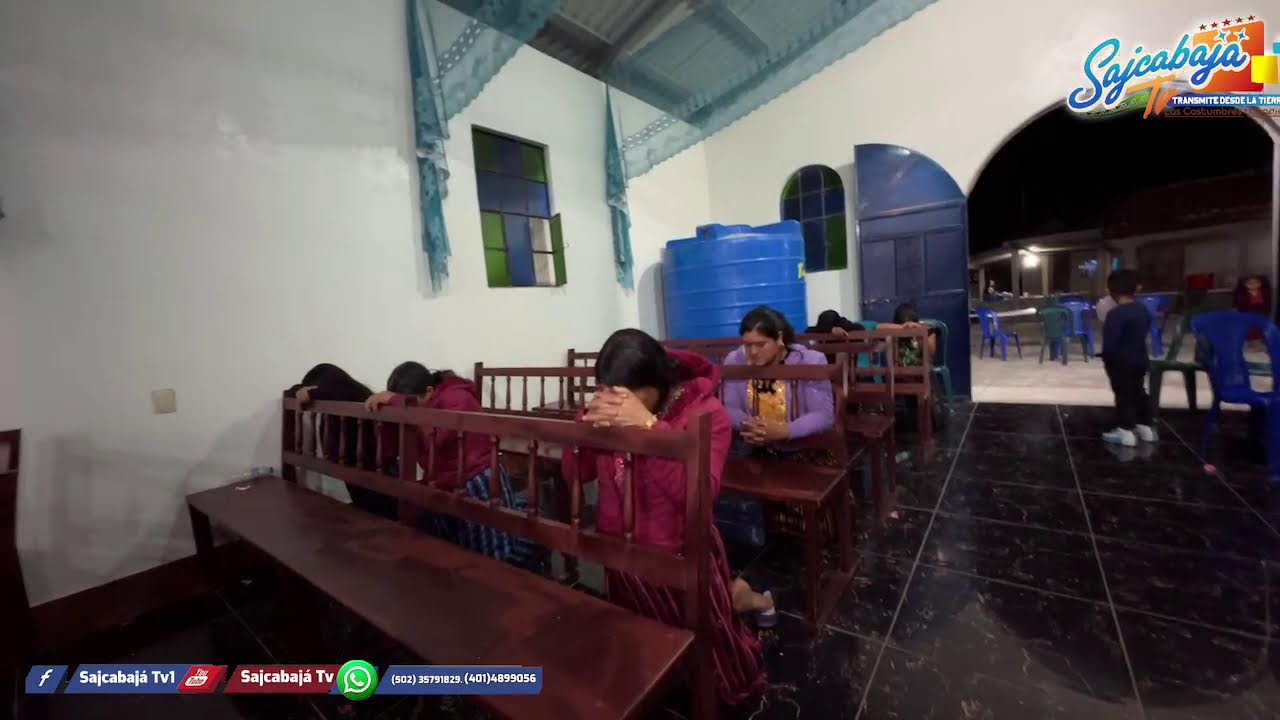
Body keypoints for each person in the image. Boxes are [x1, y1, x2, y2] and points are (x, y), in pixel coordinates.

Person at [565, 329, 768, 706]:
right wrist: (585, 430)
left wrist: (649, 429)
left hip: (678, 549)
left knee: (710, 651)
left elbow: (696, 498)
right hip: (622, 548)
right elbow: (576, 474)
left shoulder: (707, 414)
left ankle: (747, 599)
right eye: (605, 390)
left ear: (654, 386)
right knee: (646, 642)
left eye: (624, 393)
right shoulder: (609, 409)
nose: (614, 401)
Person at [366, 361, 535, 567]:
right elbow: (393, 449)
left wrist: (397, 401)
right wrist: (387, 411)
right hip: (445, 480)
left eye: (411, 402)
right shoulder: (425, 404)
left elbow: (437, 438)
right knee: (452, 547)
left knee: (491, 556)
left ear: (430, 391)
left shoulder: (457, 396)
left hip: (477, 479)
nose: (408, 408)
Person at [286, 364, 397, 520]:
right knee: (368, 508)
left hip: (375, 467)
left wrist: (311, 392)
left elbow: (331, 391)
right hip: (358, 465)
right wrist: (303, 389)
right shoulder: (341, 394)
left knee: (380, 510)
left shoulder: (352, 395)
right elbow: (292, 392)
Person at [722, 307, 836, 456]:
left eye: (761, 344)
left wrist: (785, 431)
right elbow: (730, 407)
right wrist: (753, 428)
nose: (753, 351)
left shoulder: (810, 360)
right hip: (751, 444)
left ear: (779, 338)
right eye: (747, 345)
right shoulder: (735, 360)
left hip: (802, 448)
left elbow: (823, 415)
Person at [1101, 270, 1156, 447]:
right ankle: (1145, 427)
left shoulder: (1116, 314)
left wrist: (1106, 359)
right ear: (1136, 289)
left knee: (1123, 395)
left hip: (1120, 363)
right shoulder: (1142, 310)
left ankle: (1125, 431)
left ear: (1112, 291)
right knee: (1139, 392)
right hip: (1140, 360)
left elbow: (1110, 344)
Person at [1234, 275, 1271, 343]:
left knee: (1261, 328)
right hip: (1248, 314)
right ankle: (1251, 341)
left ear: (1260, 284)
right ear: (1245, 285)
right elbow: (1240, 306)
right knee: (1250, 329)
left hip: (1261, 314)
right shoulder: (1242, 294)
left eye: (1256, 282)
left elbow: (1268, 305)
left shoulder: (1264, 293)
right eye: (1250, 283)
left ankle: (1261, 341)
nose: (1253, 285)